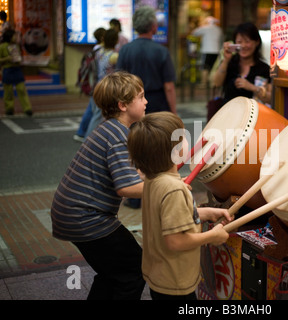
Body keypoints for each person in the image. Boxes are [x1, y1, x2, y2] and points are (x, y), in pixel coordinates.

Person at [51, 71, 146, 300]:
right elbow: (125, 188)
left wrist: (150, 176)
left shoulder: (109, 128)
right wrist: (169, 187)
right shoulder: (118, 136)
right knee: (133, 270)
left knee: (112, 273)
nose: (146, 102)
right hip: (86, 218)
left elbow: (128, 175)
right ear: (123, 105)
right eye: (141, 96)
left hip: (72, 214)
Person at [127, 112, 231, 300]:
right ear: (175, 152)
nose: (186, 140)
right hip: (175, 282)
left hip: (159, 274)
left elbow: (164, 218)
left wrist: (204, 212)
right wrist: (211, 236)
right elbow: (175, 241)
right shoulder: (174, 189)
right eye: (182, 137)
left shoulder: (153, 179)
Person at [116, 6, 176, 115]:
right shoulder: (162, 51)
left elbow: (119, 82)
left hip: (132, 103)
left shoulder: (125, 50)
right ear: (153, 26)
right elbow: (169, 87)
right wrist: (173, 112)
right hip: (158, 105)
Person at [213, 22, 271, 106]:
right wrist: (226, 60)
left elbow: (270, 99)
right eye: (239, 42)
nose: (243, 46)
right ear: (235, 43)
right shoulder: (230, 63)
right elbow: (217, 83)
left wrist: (252, 87)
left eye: (247, 41)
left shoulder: (264, 69)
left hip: (253, 116)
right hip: (228, 114)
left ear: (257, 42)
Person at [73, 27, 106, 142]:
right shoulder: (100, 52)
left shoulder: (93, 52)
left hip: (94, 86)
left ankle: (81, 132)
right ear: (102, 37)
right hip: (99, 85)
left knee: (92, 110)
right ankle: (87, 139)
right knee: (96, 113)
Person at [0, 28, 32, 116]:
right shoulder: (2, 47)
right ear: (9, 37)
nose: (16, 37)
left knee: (21, 89)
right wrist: (7, 59)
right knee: (8, 91)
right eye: (14, 36)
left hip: (17, 69)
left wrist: (19, 60)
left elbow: (18, 56)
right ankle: (9, 108)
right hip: (7, 69)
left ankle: (27, 108)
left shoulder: (16, 46)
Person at [191, 16, 223, 88]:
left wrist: (202, 25)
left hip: (206, 50)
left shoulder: (205, 28)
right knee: (214, 68)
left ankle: (204, 83)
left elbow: (194, 32)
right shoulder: (219, 29)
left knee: (205, 67)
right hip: (216, 50)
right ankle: (213, 83)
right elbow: (221, 39)